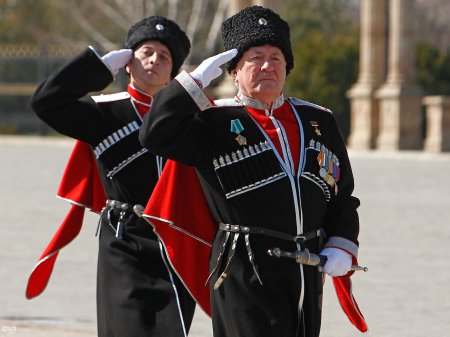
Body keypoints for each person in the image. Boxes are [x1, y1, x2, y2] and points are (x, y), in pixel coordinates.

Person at [139, 6, 367, 337]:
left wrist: (342, 241)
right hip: (243, 266)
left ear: (287, 66)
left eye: (275, 57)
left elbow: (341, 194)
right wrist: (192, 82)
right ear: (233, 71)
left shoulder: (318, 121)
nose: (266, 66)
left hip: (306, 267)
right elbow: (154, 134)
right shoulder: (210, 122)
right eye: (254, 57)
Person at [28, 16, 196, 337]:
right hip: (125, 238)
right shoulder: (103, 114)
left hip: (173, 239)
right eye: (145, 52)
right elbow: (45, 101)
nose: (154, 60)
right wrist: (100, 69)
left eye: (164, 57)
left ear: (172, 73)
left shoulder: (189, 118)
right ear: (129, 61)